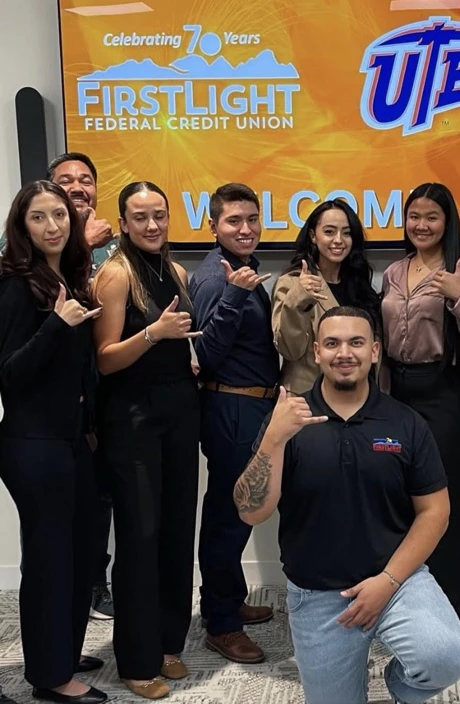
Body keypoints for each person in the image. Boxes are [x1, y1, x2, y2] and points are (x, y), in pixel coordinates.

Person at [233, 306, 460, 704]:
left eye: (356, 342)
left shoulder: (405, 422)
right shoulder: (288, 421)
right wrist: (273, 439)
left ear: (374, 351)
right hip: (319, 596)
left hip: (397, 581)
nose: (345, 353)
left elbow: (436, 511)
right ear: (317, 353)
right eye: (333, 343)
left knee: (443, 656)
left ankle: (398, 688)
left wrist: (388, 581)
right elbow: (250, 511)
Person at [91, 181, 201, 698]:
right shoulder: (115, 275)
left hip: (180, 409)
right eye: (140, 217)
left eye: (159, 214)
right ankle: (136, 660)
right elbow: (104, 359)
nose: (152, 225)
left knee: (178, 530)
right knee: (140, 536)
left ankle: (167, 645)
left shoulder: (177, 271)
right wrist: (154, 333)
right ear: (123, 223)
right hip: (132, 418)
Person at [0, 181, 107, 704]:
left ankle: (60, 651)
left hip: (71, 440)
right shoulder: (15, 285)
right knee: (50, 561)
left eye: (60, 215)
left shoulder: (67, 278)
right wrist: (56, 328)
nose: (53, 226)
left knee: (80, 555)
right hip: (33, 443)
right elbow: (10, 374)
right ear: (21, 227)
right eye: (39, 217)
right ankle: (50, 677)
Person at [380, 182, 460, 637]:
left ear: (447, 222)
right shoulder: (394, 271)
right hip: (398, 390)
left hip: (449, 392)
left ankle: (450, 620)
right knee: (399, 500)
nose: (421, 225)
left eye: (432, 217)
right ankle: (405, 614)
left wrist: (459, 296)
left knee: (448, 505)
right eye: (414, 216)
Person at [190, 183, 278, 664]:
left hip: (252, 408)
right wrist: (233, 295)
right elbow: (204, 354)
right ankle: (221, 624)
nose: (245, 229)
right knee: (229, 516)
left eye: (252, 219)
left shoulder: (243, 269)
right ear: (213, 226)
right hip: (231, 410)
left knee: (238, 511)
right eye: (234, 221)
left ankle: (228, 600)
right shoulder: (215, 279)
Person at [272, 199, 382, 395]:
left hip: (358, 397)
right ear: (313, 236)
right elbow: (289, 350)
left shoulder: (359, 284)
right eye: (329, 232)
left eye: (346, 233)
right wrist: (299, 296)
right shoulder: (291, 283)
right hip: (307, 398)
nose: (338, 240)